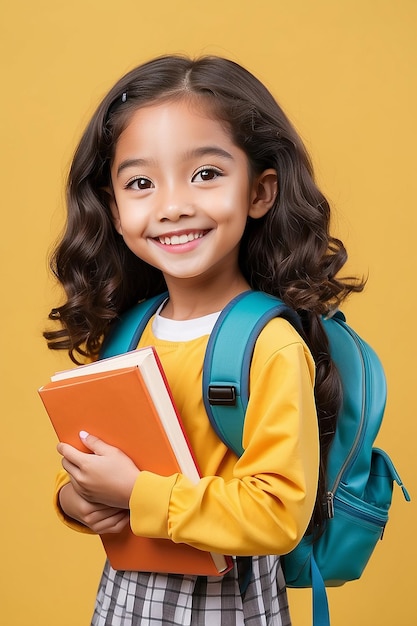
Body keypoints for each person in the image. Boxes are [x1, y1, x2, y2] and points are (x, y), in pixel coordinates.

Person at [44, 55, 363, 625]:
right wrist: (78, 500)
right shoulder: (129, 331)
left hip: (224, 604)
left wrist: (138, 495)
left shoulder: (269, 345)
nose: (173, 206)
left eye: (206, 174)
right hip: (127, 598)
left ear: (260, 192)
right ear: (114, 210)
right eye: (141, 183)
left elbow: (279, 515)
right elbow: (107, 467)